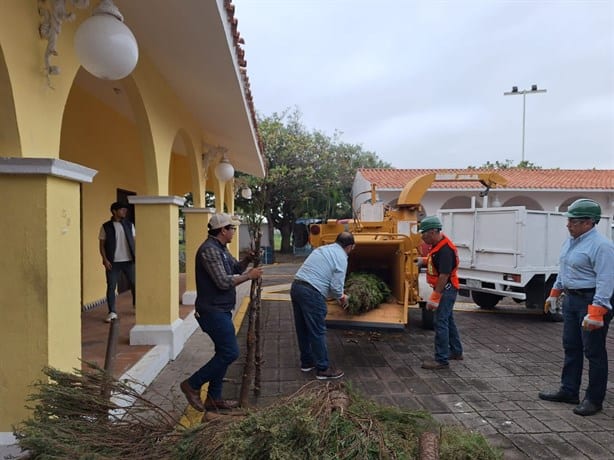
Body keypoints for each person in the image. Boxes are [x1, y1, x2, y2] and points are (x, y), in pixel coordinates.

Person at [180, 213, 263, 412]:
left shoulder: (221, 249)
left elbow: (234, 267)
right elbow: (223, 281)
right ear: (223, 230)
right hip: (211, 311)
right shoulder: (209, 251)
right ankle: (192, 384)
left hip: (221, 309)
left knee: (222, 352)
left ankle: (213, 398)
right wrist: (248, 276)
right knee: (230, 352)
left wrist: (247, 260)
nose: (234, 231)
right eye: (232, 228)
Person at [538, 199, 614, 416]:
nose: (568, 224)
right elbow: (564, 269)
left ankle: (594, 399)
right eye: (569, 220)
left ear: (589, 222)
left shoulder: (602, 246)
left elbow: (606, 279)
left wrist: (598, 310)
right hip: (572, 299)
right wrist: (555, 292)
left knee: (594, 351)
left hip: (591, 300)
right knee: (571, 346)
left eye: (573, 221)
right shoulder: (571, 242)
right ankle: (569, 390)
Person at [290, 231, 355, 380]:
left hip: (297, 287)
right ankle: (323, 369)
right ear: (350, 246)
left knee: (303, 329)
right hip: (312, 292)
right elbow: (337, 286)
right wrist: (342, 298)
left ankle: (306, 363)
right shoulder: (341, 258)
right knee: (317, 331)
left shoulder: (322, 249)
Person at [418, 216, 463, 370]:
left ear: (432, 232)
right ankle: (456, 351)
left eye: (424, 234)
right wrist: (423, 260)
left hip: (446, 289)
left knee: (440, 322)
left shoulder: (445, 249)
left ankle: (441, 360)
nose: (422, 238)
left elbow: (444, 275)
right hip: (447, 288)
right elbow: (435, 262)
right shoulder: (438, 245)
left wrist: (435, 297)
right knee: (448, 320)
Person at [99, 201, 136, 323]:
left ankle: (137, 306)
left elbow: (134, 242)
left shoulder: (130, 225)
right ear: (114, 211)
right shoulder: (106, 226)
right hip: (112, 262)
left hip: (129, 261)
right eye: (122, 209)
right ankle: (112, 312)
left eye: (125, 209)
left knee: (134, 284)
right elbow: (102, 245)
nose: (125, 211)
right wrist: (104, 259)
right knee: (111, 286)